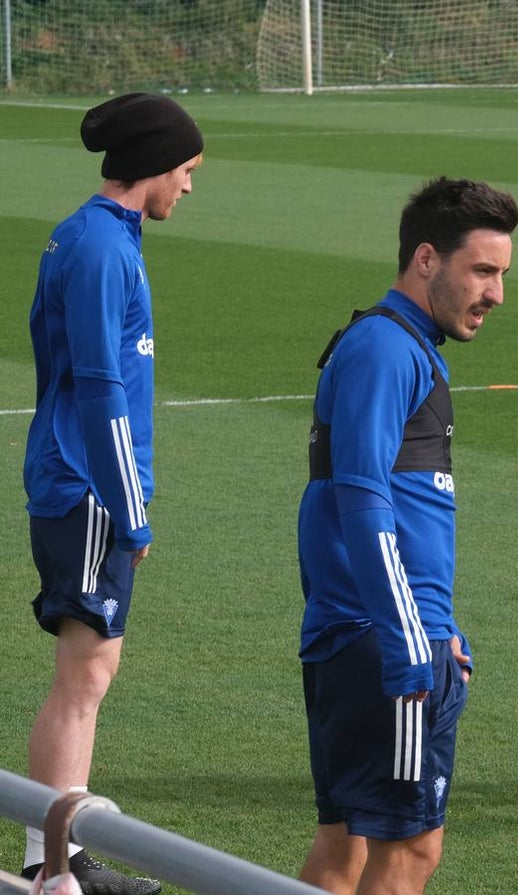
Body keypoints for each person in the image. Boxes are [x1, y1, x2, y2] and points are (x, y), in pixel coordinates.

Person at [297, 177, 518, 895]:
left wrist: (436, 627)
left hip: (383, 634)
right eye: (482, 271)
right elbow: (361, 501)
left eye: (502, 274)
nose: (496, 293)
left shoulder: (403, 346)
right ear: (428, 259)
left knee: (347, 845)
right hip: (383, 644)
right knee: (409, 848)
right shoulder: (385, 350)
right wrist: (409, 640)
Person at [21, 94, 204, 894]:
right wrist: (131, 507)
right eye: (188, 171)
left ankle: (58, 856)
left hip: (76, 478)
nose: (190, 188)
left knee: (85, 676)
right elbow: (100, 386)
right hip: (89, 485)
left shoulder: (96, 235)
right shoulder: (100, 247)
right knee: (83, 677)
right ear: (156, 165)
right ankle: (56, 869)